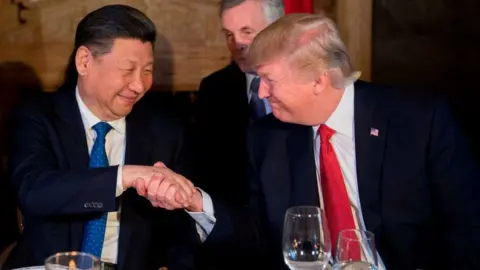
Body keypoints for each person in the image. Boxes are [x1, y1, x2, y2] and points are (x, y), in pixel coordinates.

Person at [147, 14, 480, 270]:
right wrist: (196, 201)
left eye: (268, 80)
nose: (260, 93)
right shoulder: (268, 138)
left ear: (319, 80)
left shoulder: (420, 121)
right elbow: (254, 237)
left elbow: (468, 229)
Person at [4, 5, 197, 270]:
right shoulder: (37, 117)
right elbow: (33, 191)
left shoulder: (165, 132)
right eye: (128, 70)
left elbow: (180, 233)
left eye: (148, 70)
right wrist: (123, 176)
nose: (139, 85)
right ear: (84, 61)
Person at [193, 0, 284, 205]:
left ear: (277, 29)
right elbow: (206, 167)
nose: (236, 44)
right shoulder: (214, 88)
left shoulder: (302, 82)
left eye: (247, 31)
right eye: (228, 35)